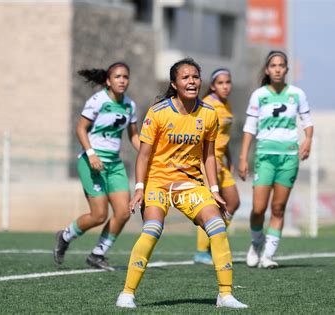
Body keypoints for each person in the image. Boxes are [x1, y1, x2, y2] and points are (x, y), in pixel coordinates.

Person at [115, 58, 247, 309]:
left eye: (195, 77)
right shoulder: (158, 112)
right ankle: (127, 293)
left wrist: (214, 190)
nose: (192, 81)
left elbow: (209, 155)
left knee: (218, 226)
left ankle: (225, 295)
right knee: (152, 230)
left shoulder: (209, 114)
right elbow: (143, 155)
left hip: (190, 184)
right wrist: (139, 189)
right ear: (174, 84)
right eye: (185, 77)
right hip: (158, 182)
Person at [53, 62, 140, 270]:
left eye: (125, 77)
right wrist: (91, 154)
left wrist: (149, 153)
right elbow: (80, 129)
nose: (122, 80)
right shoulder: (98, 100)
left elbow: (134, 136)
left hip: (115, 165)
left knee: (123, 213)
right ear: (108, 81)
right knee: (99, 215)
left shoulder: (130, 105)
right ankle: (65, 236)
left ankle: (97, 254)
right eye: (118, 77)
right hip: (91, 161)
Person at [239, 50, 314, 269]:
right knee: (258, 209)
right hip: (264, 157)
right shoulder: (259, 95)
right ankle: (256, 243)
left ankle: (268, 256)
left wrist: (308, 139)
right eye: (273, 65)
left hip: (289, 157)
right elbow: (249, 128)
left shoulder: (297, 94)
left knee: (279, 208)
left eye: (281, 65)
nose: (278, 69)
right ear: (267, 70)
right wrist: (244, 157)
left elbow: (307, 121)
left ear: (287, 69)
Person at [193, 68, 240, 265]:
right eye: (220, 83)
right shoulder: (208, 105)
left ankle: (215, 238)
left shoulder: (226, 105)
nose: (225, 86)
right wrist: (209, 161)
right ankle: (201, 251)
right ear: (212, 86)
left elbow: (222, 138)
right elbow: (202, 137)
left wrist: (229, 157)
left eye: (228, 82)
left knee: (233, 202)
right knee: (210, 206)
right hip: (209, 162)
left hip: (221, 161)